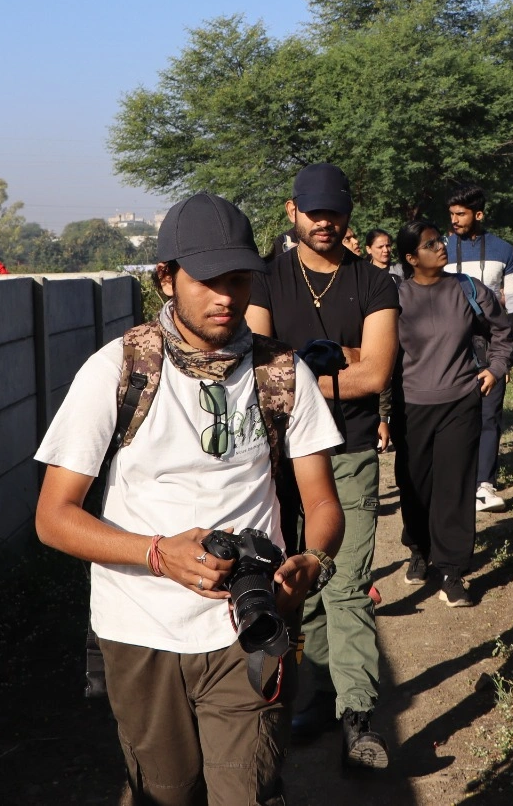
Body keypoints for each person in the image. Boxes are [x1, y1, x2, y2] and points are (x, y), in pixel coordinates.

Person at [33, 192, 346, 806]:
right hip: (139, 630)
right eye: (207, 280)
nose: (226, 296)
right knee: (166, 794)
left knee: (247, 793)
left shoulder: (283, 373)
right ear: (165, 278)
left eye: (238, 279)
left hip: (249, 626)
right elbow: (53, 517)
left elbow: (323, 504)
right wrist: (158, 554)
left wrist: (313, 561)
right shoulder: (117, 371)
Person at [246, 163, 399, 769]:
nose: (325, 222)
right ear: (292, 212)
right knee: (299, 582)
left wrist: (295, 371)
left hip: (351, 451)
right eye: (313, 212)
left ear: (348, 214)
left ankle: (358, 718)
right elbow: (254, 369)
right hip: (281, 457)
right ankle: (316, 697)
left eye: (334, 212)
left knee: (348, 584)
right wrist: (337, 366)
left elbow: (376, 374)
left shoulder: (375, 283)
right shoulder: (264, 278)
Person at [392, 220, 513, 608]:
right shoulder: (396, 297)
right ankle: (419, 548)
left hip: (461, 401)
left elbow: (502, 332)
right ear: (411, 258)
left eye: (439, 240)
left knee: (455, 486)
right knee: (414, 485)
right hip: (411, 406)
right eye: (429, 244)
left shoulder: (468, 288)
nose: (441, 247)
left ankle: (451, 569)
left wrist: (496, 368)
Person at [442, 185, 513, 512]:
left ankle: (485, 485)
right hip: (449, 346)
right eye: (451, 214)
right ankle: (458, 481)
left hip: (492, 343)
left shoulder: (503, 250)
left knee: (489, 414)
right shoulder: (439, 249)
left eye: (461, 214)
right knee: (453, 415)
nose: (454, 220)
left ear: (478, 214)